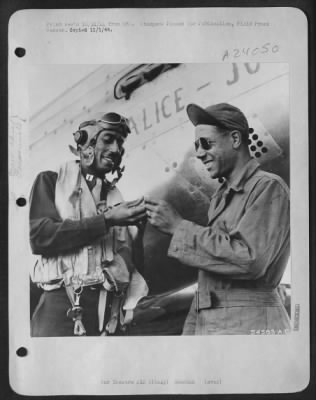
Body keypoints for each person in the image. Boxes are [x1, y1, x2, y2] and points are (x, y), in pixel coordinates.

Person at [145, 102, 291, 335]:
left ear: (235, 139)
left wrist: (179, 227)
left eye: (206, 143)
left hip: (249, 325)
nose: (199, 153)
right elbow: (211, 276)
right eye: (196, 146)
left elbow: (249, 260)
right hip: (216, 324)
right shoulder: (222, 197)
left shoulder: (268, 188)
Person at [30, 112, 148, 336]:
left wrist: (139, 233)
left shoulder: (116, 198)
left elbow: (132, 266)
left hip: (110, 316)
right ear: (86, 144)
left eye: (120, 143)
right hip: (61, 312)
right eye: (108, 139)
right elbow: (40, 237)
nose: (116, 150)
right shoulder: (50, 182)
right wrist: (107, 220)